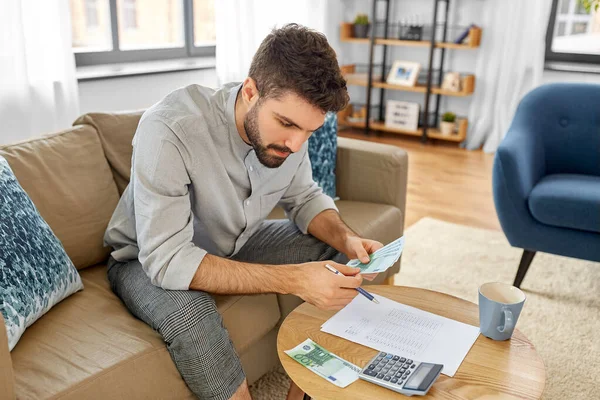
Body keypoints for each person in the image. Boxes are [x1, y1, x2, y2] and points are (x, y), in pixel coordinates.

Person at [104, 23, 383, 400]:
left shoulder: (290, 140)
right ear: (250, 91)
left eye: (309, 132)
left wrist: (348, 239)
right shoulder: (171, 128)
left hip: (233, 242)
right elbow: (168, 261)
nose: (296, 143)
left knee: (338, 259)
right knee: (192, 315)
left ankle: (303, 391)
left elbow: (304, 199)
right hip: (145, 258)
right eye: (286, 124)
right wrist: (294, 279)